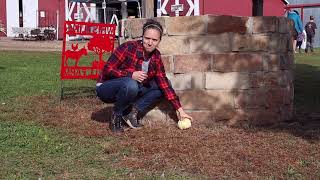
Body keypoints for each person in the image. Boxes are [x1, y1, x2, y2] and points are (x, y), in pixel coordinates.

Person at [96, 19, 193, 133]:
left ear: (159, 41)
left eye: (154, 40)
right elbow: (108, 70)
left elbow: (164, 83)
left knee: (162, 86)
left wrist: (180, 110)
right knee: (130, 84)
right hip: (106, 88)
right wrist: (130, 74)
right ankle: (116, 116)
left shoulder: (156, 56)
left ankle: (132, 112)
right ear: (142, 37)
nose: (150, 42)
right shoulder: (128, 47)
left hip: (130, 88)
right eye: (147, 38)